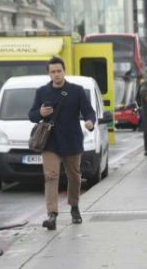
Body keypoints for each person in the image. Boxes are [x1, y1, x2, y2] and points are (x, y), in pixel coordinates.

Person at [28, 57, 96, 230]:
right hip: (50, 142)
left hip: (72, 140)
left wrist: (90, 121)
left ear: (64, 71)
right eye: (53, 72)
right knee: (50, 176)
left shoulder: (76, 90)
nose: (56, 74)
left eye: (59, 71)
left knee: (74, 176)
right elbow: (32, 115)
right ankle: (52, 214)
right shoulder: (42, 92)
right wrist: (40, 112)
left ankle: (74, 206)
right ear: (49, 74)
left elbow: (88, 110)